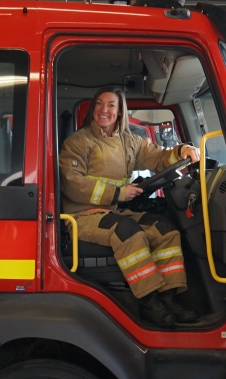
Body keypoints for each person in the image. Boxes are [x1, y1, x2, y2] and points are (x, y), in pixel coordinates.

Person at [60, 87, 201, 327]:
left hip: (113, 211)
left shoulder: (130, 141)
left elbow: (157, 157)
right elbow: (73, 184)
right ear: (93, 109)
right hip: (82, 216)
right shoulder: (78, 142)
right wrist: (118, 192)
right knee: (128, 232)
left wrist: (181, 151)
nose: (104, 110)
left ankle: (169, 298)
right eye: (100, 104)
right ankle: (149, 303)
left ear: (120, 111)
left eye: (111, 105)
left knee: (165, 230)